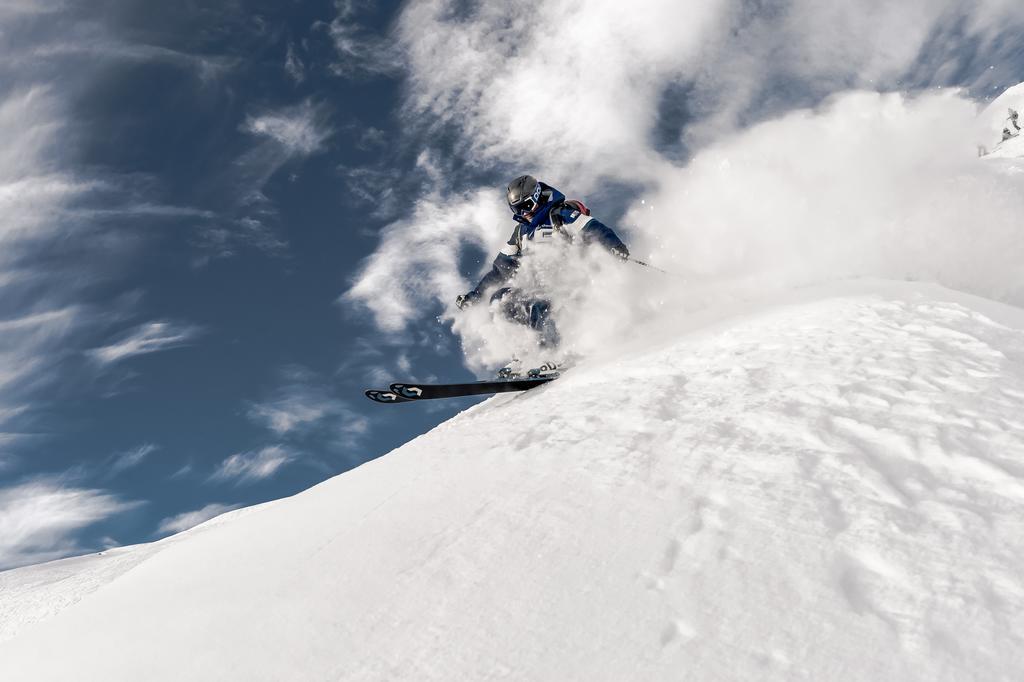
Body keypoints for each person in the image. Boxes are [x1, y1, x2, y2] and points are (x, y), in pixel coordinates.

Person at [455, 174, 629, 355]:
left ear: (537, 196)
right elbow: (500, 270)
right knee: (501, 301)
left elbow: (593, 228)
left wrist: (614, 246)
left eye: (527, 205)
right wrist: (475, 296)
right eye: (517, 209)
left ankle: (554, 354)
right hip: (538, 285)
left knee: (538, 304)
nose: (524, 213)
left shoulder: (561, 215)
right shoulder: (520, 232)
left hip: (571, 283)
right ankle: (523, 356)